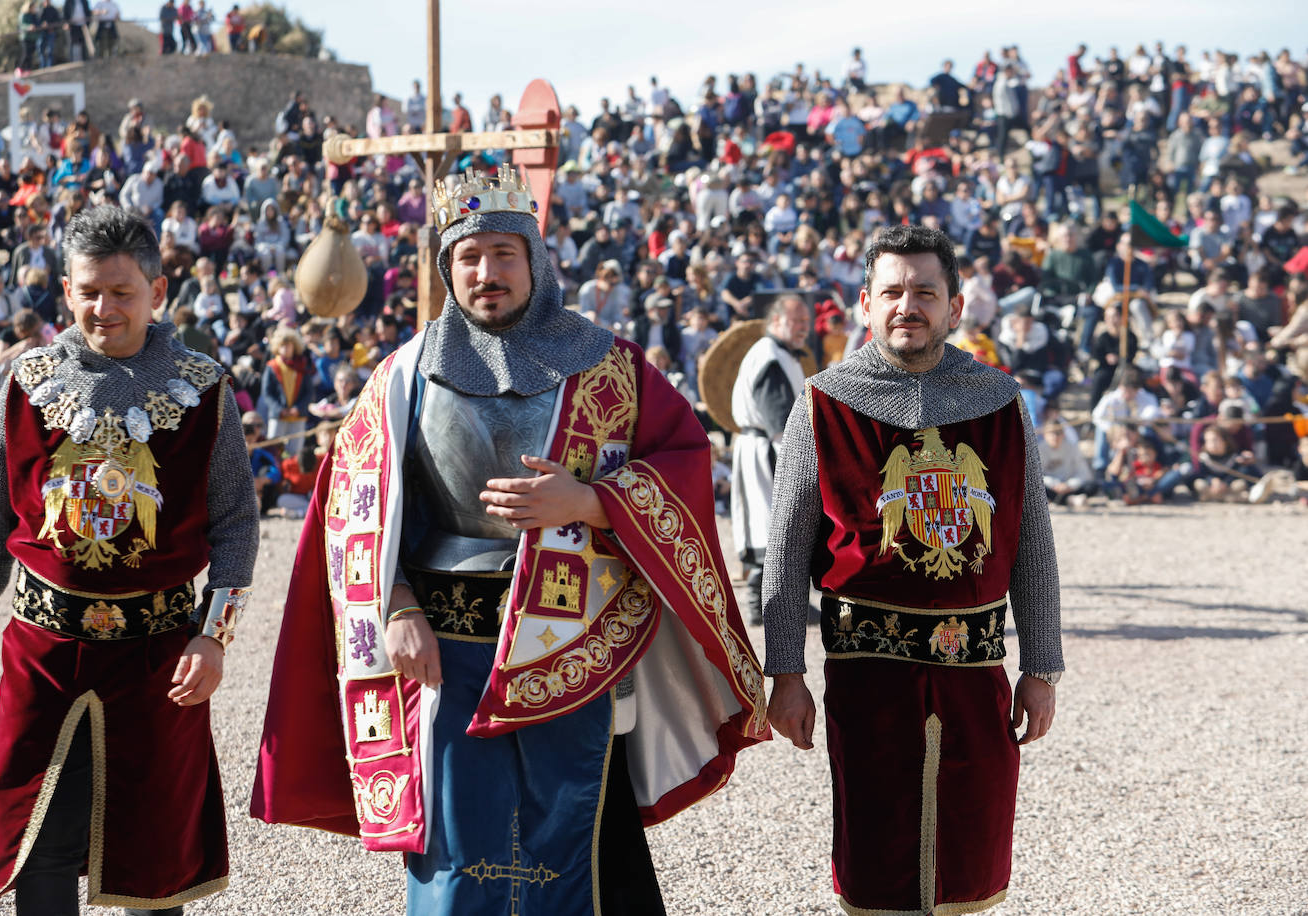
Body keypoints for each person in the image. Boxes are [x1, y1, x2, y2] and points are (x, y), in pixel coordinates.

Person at [252, 166, 768, 914]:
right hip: (443, 649)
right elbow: (349, 510)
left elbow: (684, 467)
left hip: (574, 645)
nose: (486, 272)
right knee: (459, 858)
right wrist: (394, 606)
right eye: (468, 257)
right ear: (446, 269)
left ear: (535, 261)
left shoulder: (611, 369)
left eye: (503, 253)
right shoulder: (402, 377)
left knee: (577, 842)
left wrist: (592, 501)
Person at [0, 206, 258, 913]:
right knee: (40, 846)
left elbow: (236, 522)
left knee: (157, 854)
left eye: (121, 292)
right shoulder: (29, 379)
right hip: (42, 653)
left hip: (158, 658)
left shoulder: (203, 390)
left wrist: (215, 636)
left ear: (158, 290)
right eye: (88, 291)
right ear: (65, 289)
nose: (103, 308)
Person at [762, 224, 1062, 916]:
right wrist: (785, 672)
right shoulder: (822, 405)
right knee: (874, 860)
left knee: (972, 861)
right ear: (865, 304)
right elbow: (784, 554)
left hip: (975, 674)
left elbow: (1032, 547)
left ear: (955, 307)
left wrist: (1041, 667)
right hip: (868, 675)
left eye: (925, 292)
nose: (908, 306)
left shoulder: (1001, 402)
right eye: (892, 291)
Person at [730, 294, 810, 625]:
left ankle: (785, 606)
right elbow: (779, 420)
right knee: (774, 525)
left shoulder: (780, 355)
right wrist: (796, 458)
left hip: (764, 445)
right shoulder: (770, 357)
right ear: (776, 321)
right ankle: (759, 605)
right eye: (796, 321)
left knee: (777, 525)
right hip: (767, 449)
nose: (803, 328)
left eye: (806, 322)